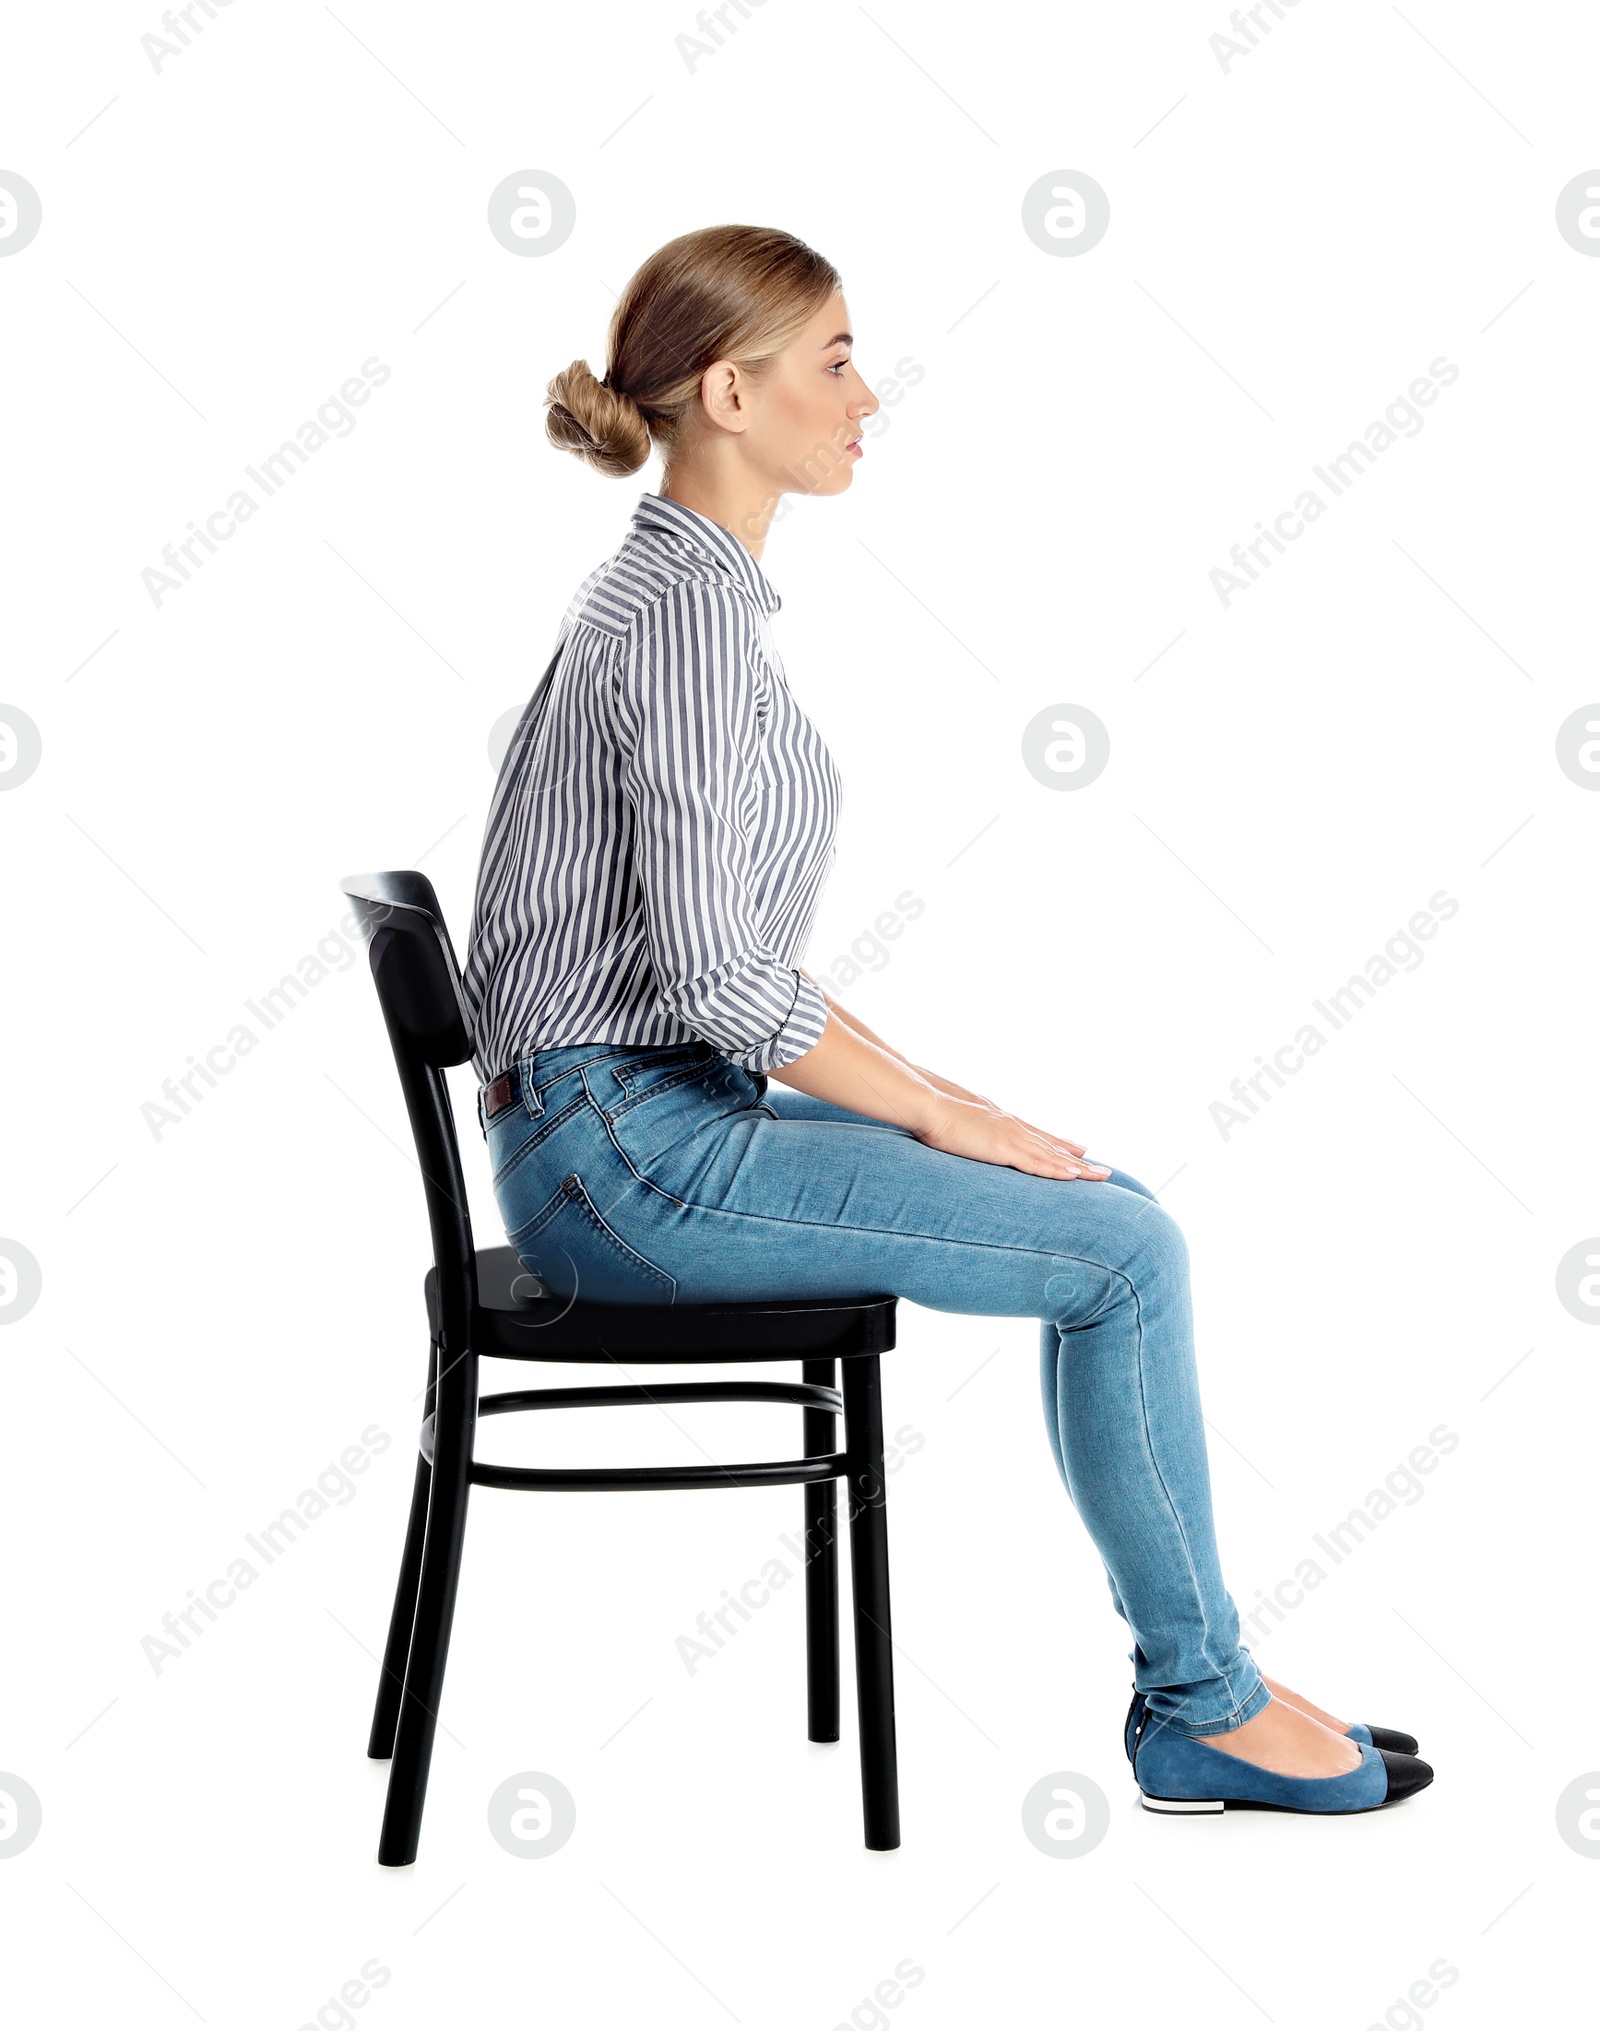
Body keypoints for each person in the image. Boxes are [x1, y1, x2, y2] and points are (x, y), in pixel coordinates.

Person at [462, 223, 1433, 1817]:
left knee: (1100, 1208)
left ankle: (1216, 1684)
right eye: (835, 361)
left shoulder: (684, 597)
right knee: (1130, 1255)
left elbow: (733, 966)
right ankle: (1203, 1703)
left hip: (634, 1129)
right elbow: (720, 981)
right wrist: (929, 1114)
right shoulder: (684, 623)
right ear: (727, 389)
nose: (867, 395)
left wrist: (948, 1094)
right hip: (625, 1165)